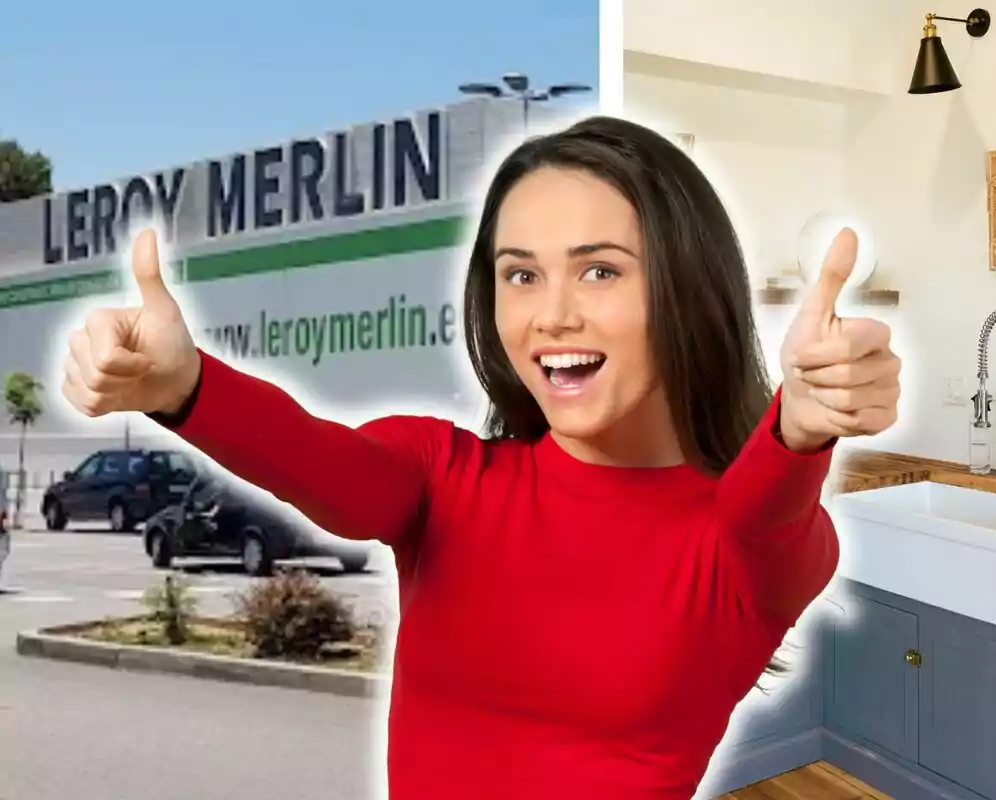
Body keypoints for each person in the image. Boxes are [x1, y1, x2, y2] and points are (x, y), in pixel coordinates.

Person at [60, 116, 901, 800]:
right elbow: (327, 468)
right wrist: (187, 386)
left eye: (600, 271)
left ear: (688, 287)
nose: (552, 315)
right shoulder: (444, 477)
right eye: (520, 275)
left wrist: (799, 425)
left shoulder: (748, 548)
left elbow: (765, 506)